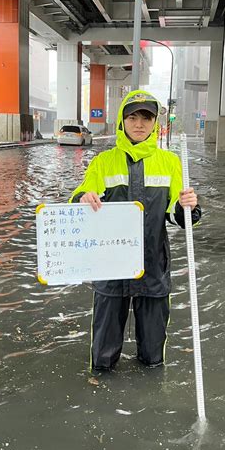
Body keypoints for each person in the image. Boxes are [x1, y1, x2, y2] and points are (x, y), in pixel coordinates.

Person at [69, 90, 201, 372]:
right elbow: (81, 196)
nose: (139, 123)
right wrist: (82, 199)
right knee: (102, 358)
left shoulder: (171, 162)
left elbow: (178, 216)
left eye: (146, 117)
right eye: (132, 117)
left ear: (155, 123)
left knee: (153, 358)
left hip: (154, 265)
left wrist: (187, 206)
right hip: (110, 267)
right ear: (122, 121)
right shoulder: (103, 162)